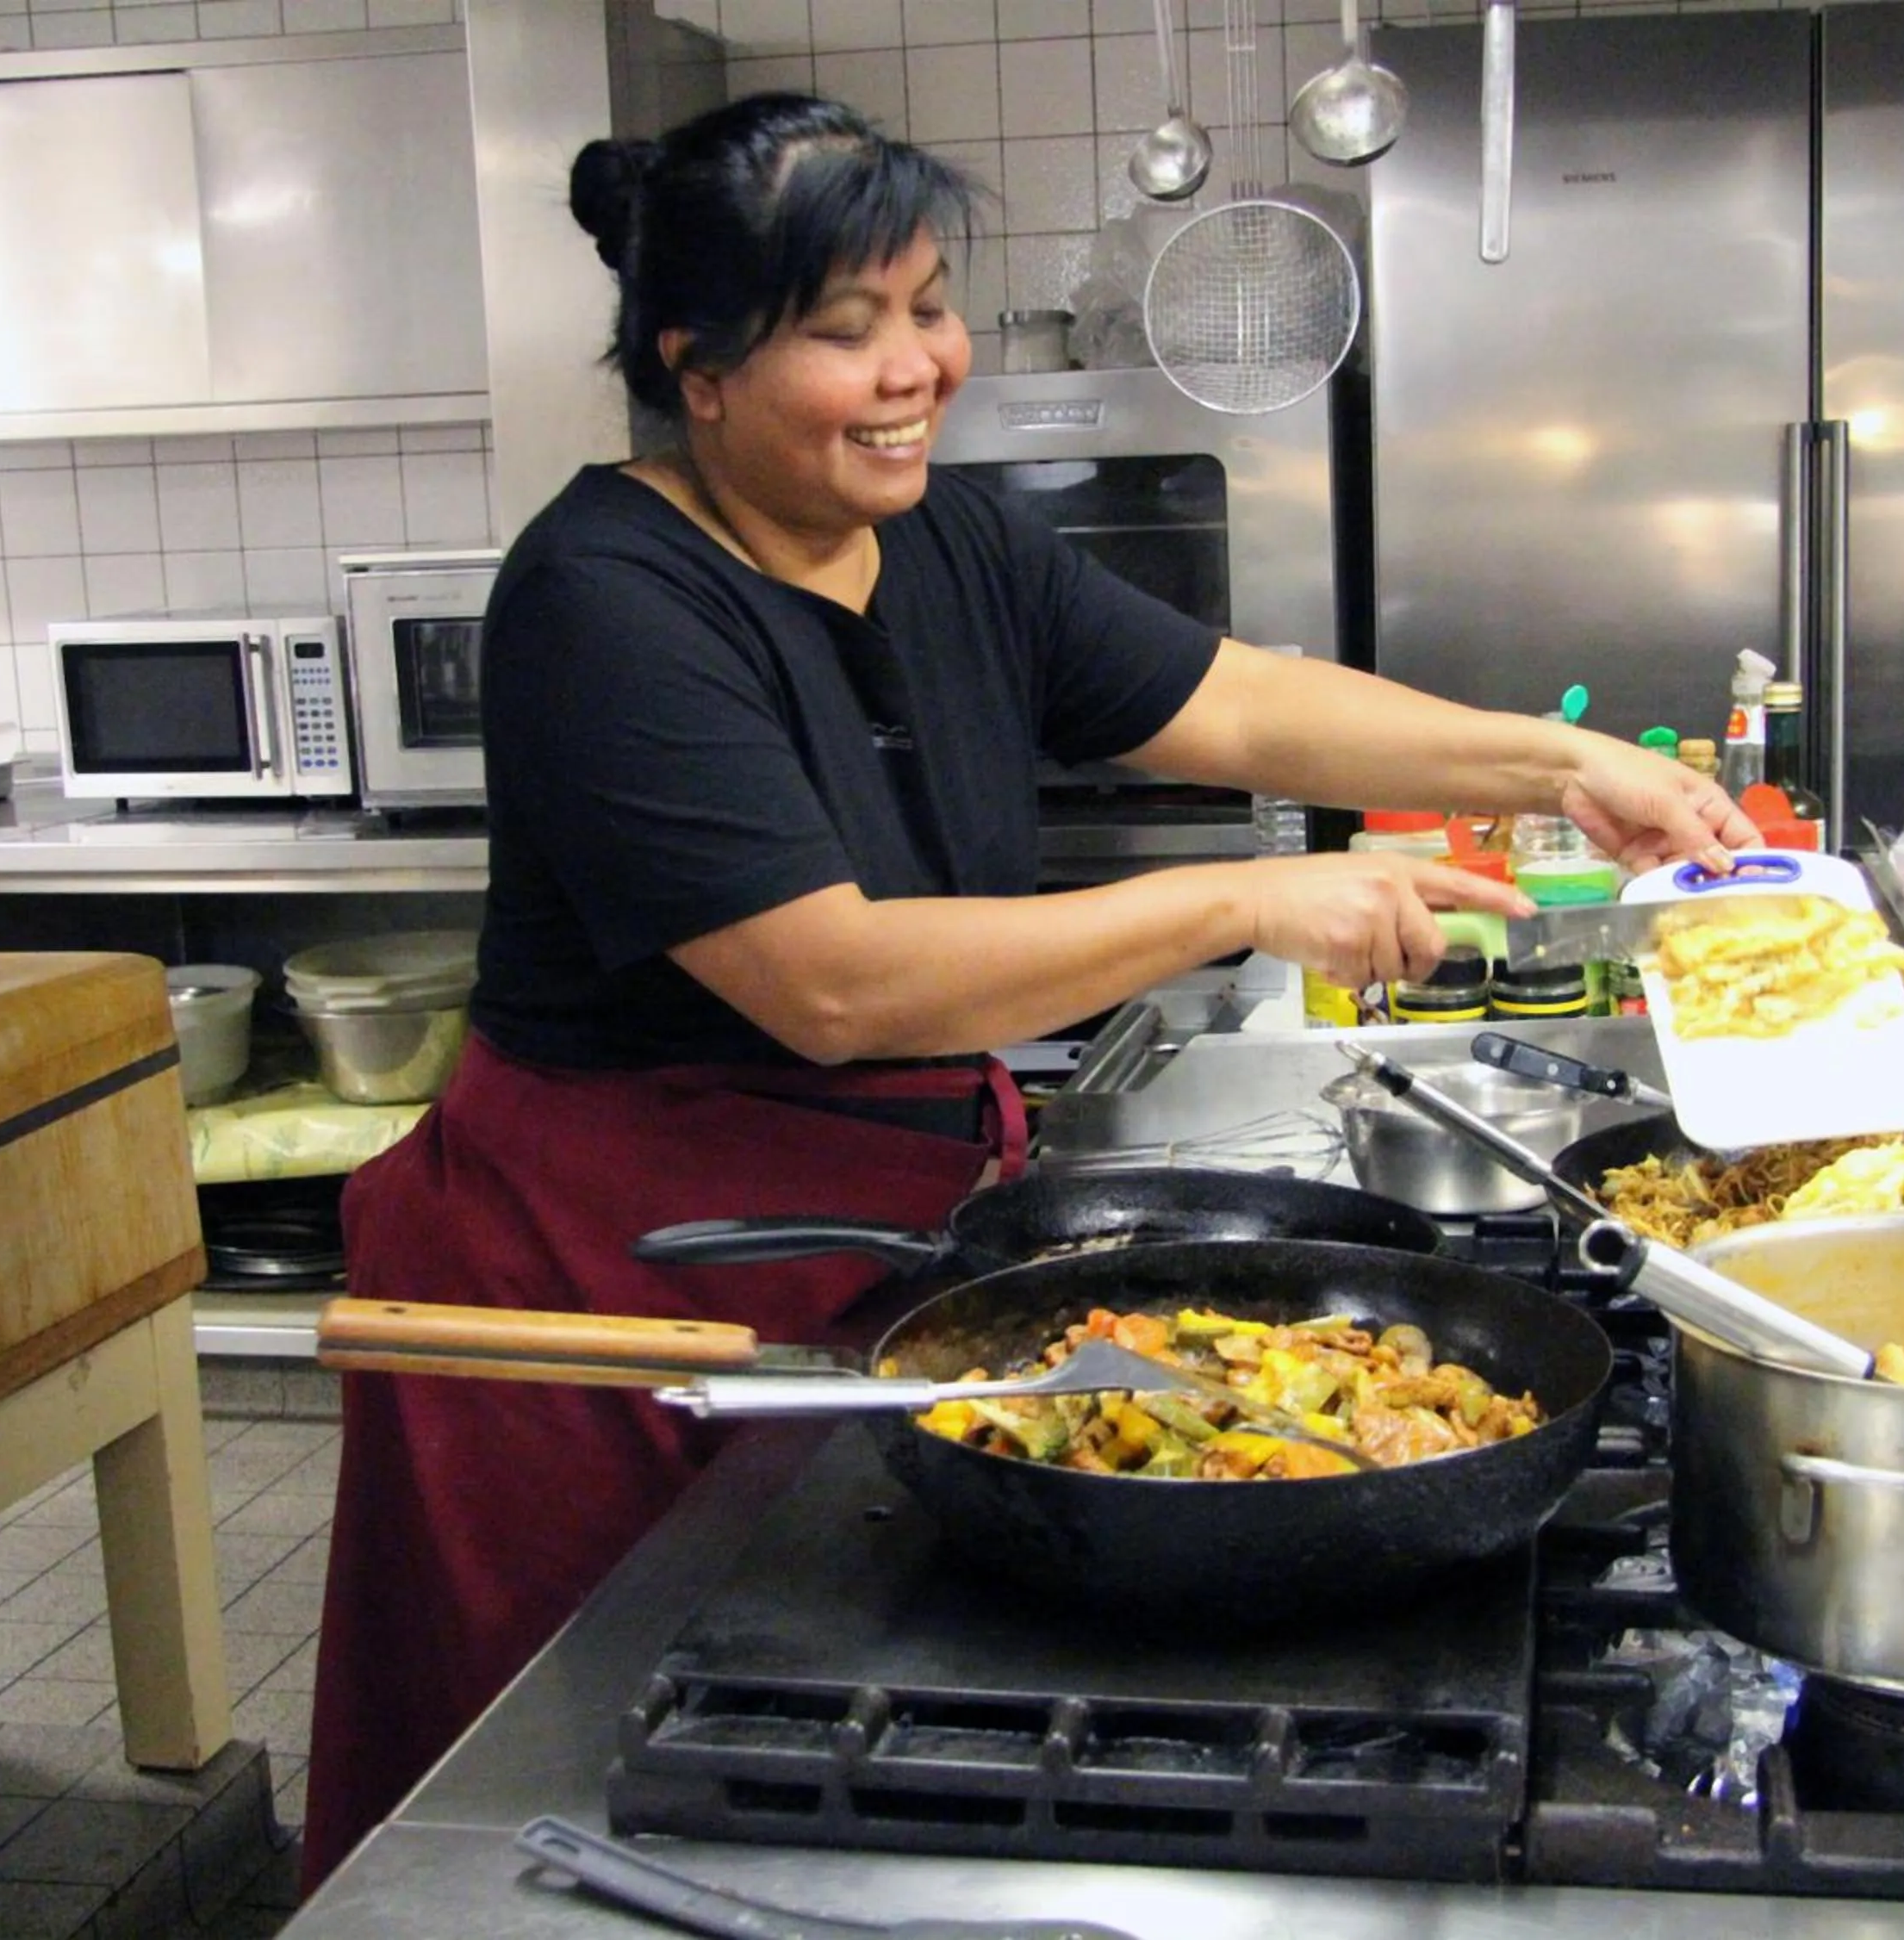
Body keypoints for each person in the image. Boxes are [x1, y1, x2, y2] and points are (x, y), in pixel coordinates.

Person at [301, 90, 1758, 1887]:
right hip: (600, 1275)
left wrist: (1552, 764)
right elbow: (831, 981)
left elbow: (1240, 699)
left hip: (869, 1231)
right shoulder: (604, 600)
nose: (919, 365)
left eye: (926, 303)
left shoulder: (947, 542)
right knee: (593, 1767)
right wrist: (1246, 898)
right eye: (847, 331)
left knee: (808, 1715)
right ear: (698, 369)